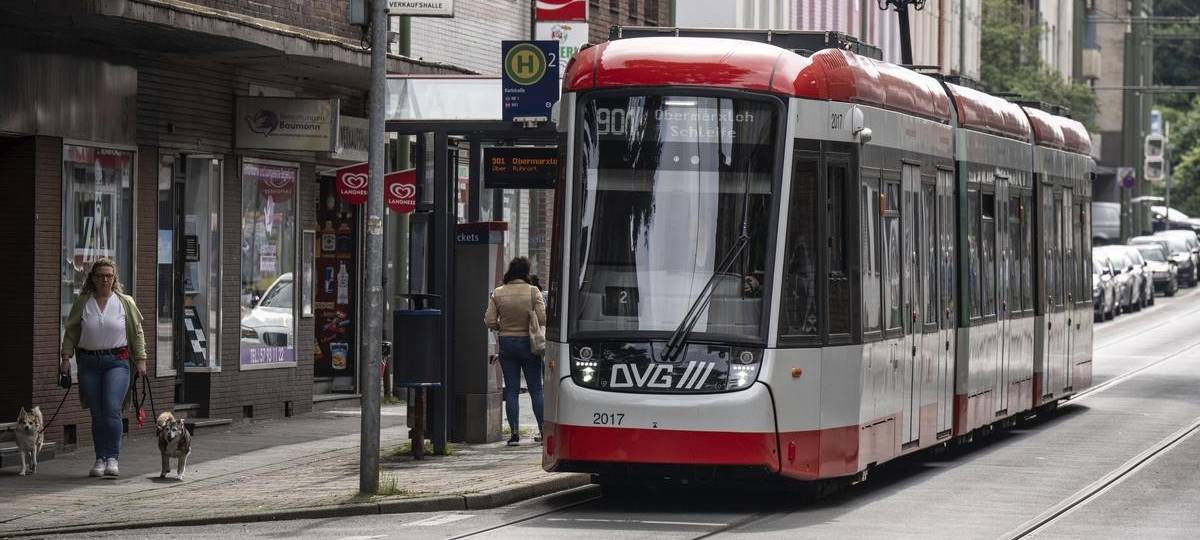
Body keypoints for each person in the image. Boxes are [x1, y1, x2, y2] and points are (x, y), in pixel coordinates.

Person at [59, 258, 148, 478]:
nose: (105, 279)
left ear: (114, 278)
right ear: (93, 278)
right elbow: (71, 332)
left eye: (109, 275)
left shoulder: (124, 302)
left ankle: (113, 458)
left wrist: (141, 359)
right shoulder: (83, 302)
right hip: (89, 363)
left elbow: (136, 332)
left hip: (117, 361)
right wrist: (65, 358)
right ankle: (100, 458)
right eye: (100, 275)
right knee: (97, 413)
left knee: (111, 407)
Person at [484, 257, 546, 446]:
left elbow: (489, 320)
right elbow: (543, 318)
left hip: (507, 344)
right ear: (526, 272)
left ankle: (514, 435)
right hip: (529, 343)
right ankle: (543, 432)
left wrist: (502, 326)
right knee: (536, 389)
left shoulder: (498, 292)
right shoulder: (533, 291)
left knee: (511, 389)